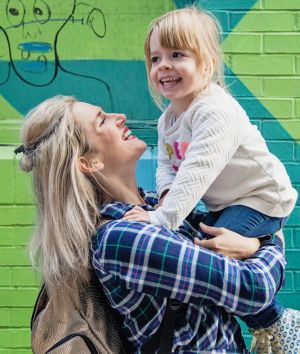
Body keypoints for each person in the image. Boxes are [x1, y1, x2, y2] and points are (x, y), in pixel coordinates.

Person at [15, 95, 289, 353]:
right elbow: (254, 289)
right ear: (89, 162)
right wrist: (270, 239)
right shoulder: (121, 238)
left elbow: (225, 245)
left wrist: (252, 244)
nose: (119, 116)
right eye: (102, 121)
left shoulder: (156, 205)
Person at [123, 7, 299, 353]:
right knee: (207, 249)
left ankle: (278, 322)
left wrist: (161, 218)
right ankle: (266, 298)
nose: (164, 66)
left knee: (211, 256)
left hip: (261, 199)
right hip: (230, 202)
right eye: (155, 58)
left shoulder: (214, 111)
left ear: (206, 62)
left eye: (177, 55)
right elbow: (167, 166)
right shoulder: (169, 118)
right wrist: (166, 194)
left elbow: (196, 173)